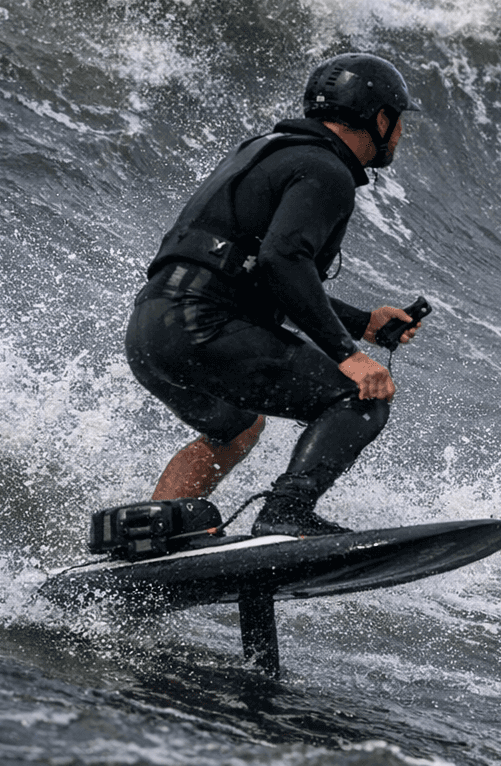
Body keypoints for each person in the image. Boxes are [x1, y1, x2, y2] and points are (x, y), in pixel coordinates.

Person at [125, 53, 424, 536]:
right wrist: (348, 354)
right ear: (380, 118)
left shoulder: (266, 151)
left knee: (238, 426)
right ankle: (286, 513)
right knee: (360, 396)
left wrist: (362, 322)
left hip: (151, 330)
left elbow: (257, 275)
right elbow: (283, 261)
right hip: (204, 325)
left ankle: (155, 534)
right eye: (399, 121)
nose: (401, 135)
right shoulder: (326, 169)